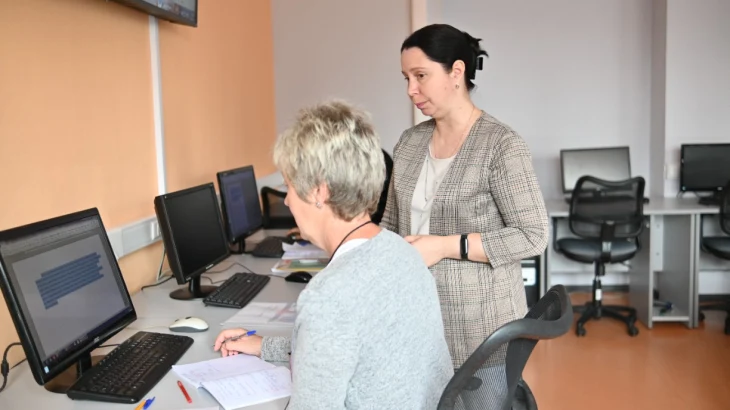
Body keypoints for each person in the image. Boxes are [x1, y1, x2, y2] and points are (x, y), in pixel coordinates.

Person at [214, 101, 453, 409]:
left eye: (288, 187)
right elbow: (353, 350)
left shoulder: (329, 297)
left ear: (318, 191)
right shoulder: (401, 251)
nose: (286, 201)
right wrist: (265, 346)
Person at [382, 23, 549, 406]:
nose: (411, 90)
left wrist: (445, 246)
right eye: (406, 78)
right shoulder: (409, 143)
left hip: (480, 329)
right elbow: (390, 225)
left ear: (456, 72)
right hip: (416, 319)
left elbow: (533, 235)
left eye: (421, 76)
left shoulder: (501, 145)